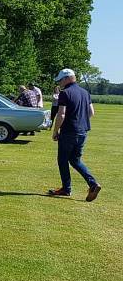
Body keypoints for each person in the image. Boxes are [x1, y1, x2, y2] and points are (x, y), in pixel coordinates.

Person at [49, 68, 101, 201]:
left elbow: (61, 114)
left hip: (68, 132)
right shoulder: (85, 92)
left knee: (62, 160)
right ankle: (93, 184)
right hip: (82, 132)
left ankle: (66, 189)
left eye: (60, 80)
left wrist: (55, 131)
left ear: (67, 78)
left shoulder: (64, 93)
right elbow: (91, 112)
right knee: (75, 160)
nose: (59, 83)